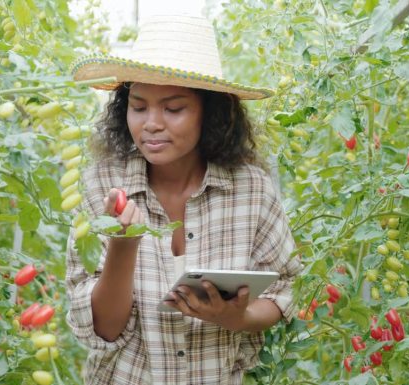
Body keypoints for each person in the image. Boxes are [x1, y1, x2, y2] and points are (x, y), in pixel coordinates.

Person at [65, 14, 301, 385]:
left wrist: (237, 318)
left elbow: (282, 290)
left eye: (174, 109)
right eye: (139, 106)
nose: (152, 123)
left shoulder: (251, 189)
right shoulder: (103, 185)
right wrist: (123, 245)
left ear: (211, 112)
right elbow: (104, 330)